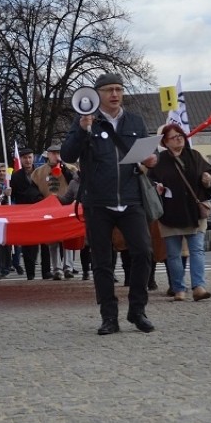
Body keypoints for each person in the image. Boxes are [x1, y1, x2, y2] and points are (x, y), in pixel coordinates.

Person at [60, 72, 158, 335]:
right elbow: (67, 153)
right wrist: (82, 129)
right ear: (97, 95)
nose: (115, 94)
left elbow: (151, 152)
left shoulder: (135, 121)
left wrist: (152, 159)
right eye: (109, 90)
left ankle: (137, 310)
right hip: (98, 201)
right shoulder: (85, 122)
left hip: (131, 197)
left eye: (119, 89)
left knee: (143, 252)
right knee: (102, 262)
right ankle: (109, 316)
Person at [149, 123, 211, 301]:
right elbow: (150, 181)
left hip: (194, 212)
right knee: (173, 254)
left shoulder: (194, 156)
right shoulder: (160, 160)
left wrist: (208, 180)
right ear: (165, 141)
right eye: (174, 137)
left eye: (180, 135)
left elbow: (209, 173)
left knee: (197, 251)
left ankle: (198, 287)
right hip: (170, 213)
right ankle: (179, 288)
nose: (179, 138)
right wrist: (157, 187)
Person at [31, 143, 75, 279]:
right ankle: (57, 268)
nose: (56, 156)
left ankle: (68, 267)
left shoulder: (70, 168)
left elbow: (75, 182)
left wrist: (64, 169)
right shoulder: (39, 172)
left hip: (66, 207)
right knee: (53, 240)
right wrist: (41, 201)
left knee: (68, 238)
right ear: (48, 155)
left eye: (58, 153)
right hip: (49, 209)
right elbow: (33, 189)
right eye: (53, 153)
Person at [9, 147, 45, 280]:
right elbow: (12, 195)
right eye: (25, 158)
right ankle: (30, 272)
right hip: (24, 213)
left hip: (40, 210)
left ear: (33, 158)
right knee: (28, 243)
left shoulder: (40, 172)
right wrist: (8, 192)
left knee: (43, 242)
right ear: (21, 159)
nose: (28, 160)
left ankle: (46, 271)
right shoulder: (16, 176)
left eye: (30, 157)